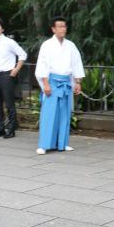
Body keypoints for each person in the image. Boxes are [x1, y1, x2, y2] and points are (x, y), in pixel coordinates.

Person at [34, 16, 85, 154]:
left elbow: (76, 64)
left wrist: (77, 82)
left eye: (64, 26)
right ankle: (44, 145)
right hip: (52, 81)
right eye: (60, 26)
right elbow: (42, 65)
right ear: (53, 29)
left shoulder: (71, 45)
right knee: (49, 114)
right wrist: (45, 84)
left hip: (66, 82)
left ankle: (62, 143)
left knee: (64, 114)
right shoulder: (47, 45)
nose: (63, 29)